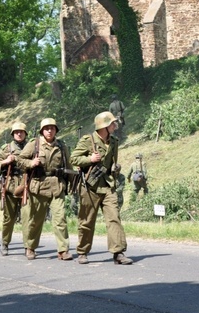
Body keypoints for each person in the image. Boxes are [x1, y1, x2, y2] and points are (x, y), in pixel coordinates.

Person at [71, 112, 133, 265]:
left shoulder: (113, 141)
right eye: (112, 123)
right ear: (104, 126)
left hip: (108, 185)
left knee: (114, 218)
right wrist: (89, 159)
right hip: (90, 187)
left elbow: (111, 161)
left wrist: (114, 168)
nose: (115, 125)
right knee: (87, 221)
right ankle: (83, 252)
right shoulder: (88, 141)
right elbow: (73, 158)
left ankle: (118, 252)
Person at [17, 118, 72, 261]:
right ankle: (30, 247)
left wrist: (72, 184)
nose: (49, 130)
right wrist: (31, 163)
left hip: (57, 185)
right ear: (42, 130)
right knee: (35, 220)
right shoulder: (34, 144)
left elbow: (68, 166)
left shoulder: (61, 145)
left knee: (60, 219)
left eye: (52, 128)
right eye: (46, 128)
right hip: (38, 186)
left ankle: (63, 250)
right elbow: (20, 160)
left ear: (56, 130)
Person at [0, 122, 30, 256]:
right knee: (8, 218)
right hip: (10, 185)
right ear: (13, 134)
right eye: (16, 132)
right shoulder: (6, 148)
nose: (19, 134)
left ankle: (28, 246)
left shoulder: (32, 146)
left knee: (27, 218)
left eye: (21, 132)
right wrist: (6, 161)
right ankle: (5, 243)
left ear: (25, 133)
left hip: (27, 184)